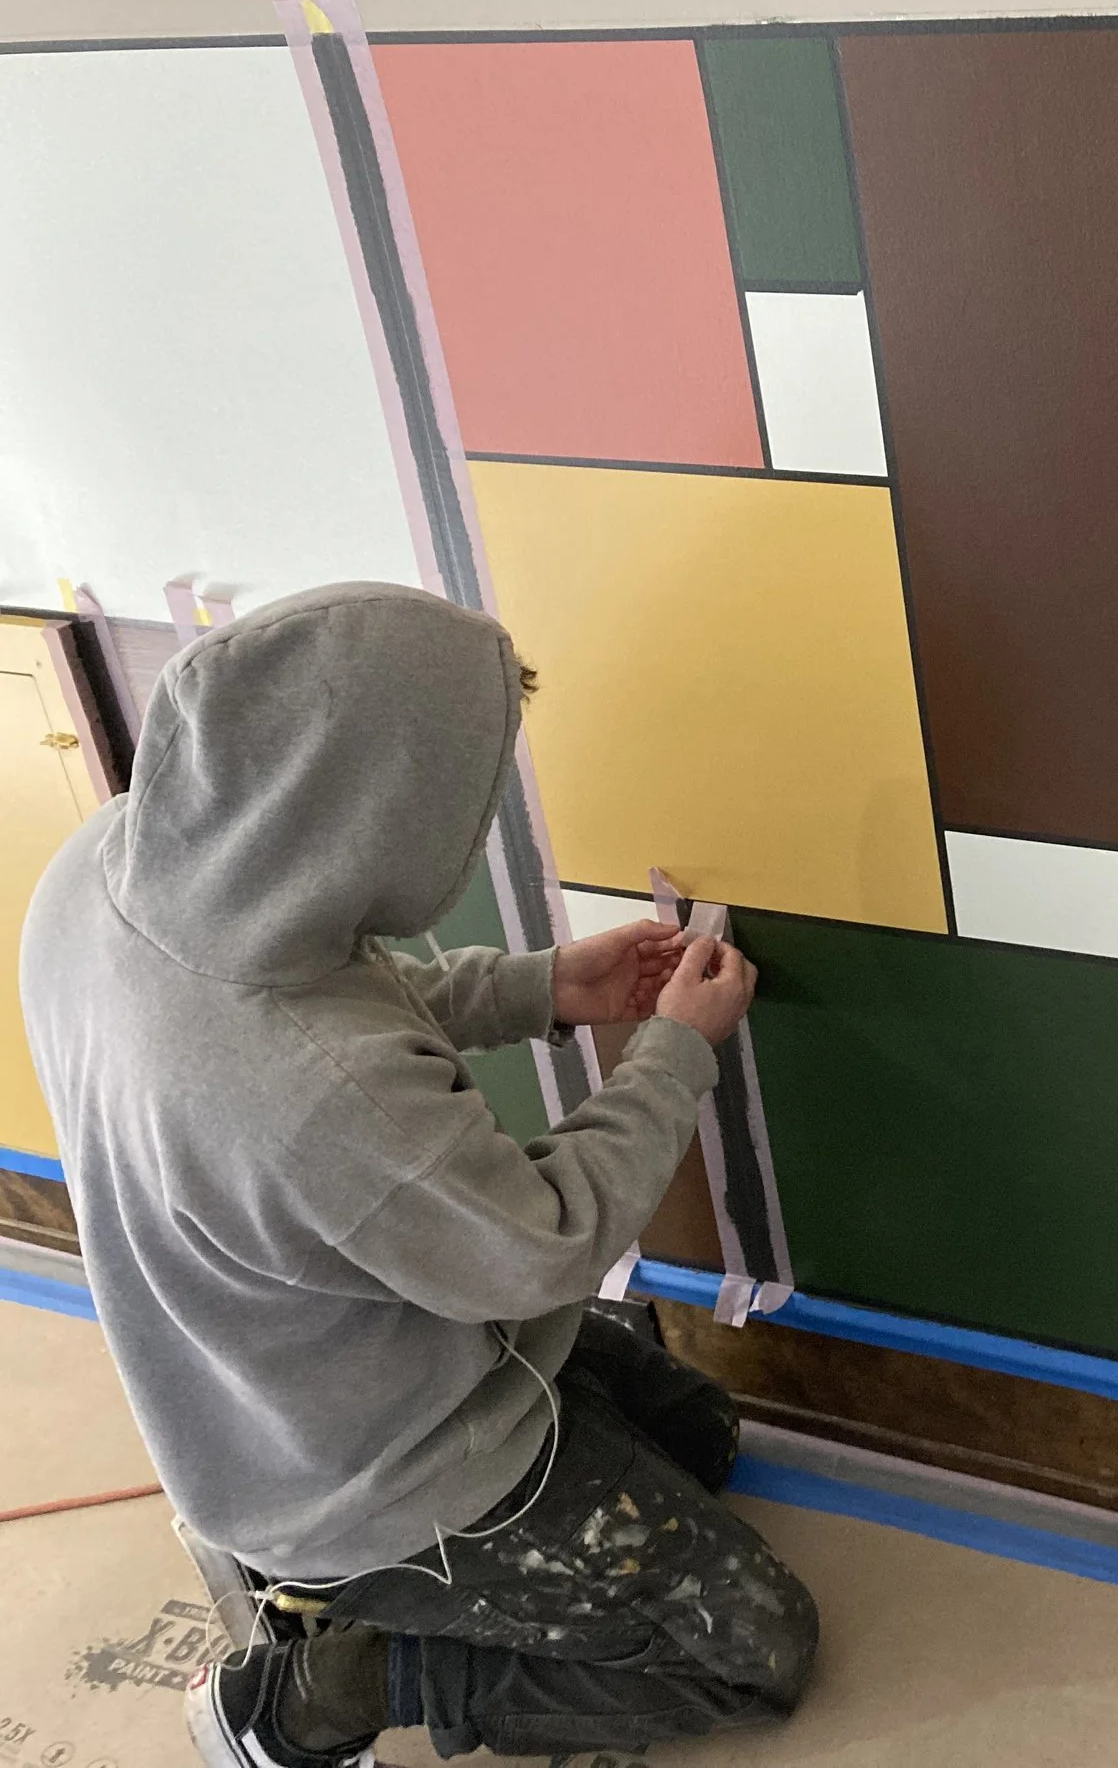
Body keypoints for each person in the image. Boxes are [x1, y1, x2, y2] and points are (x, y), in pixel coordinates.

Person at [19, 583, 819, 1766]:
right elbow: (538, 1245)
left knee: (694, 1434)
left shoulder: (113, 867)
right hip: (366, 1471)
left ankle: (353, 1593)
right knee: (750, 1649)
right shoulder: (309, 1090)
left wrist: (541, 986)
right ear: (378, 815)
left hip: (271, 1378)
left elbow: (322, 1005)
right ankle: (330, 1680)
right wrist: (673, 1053)